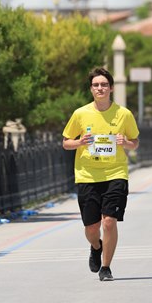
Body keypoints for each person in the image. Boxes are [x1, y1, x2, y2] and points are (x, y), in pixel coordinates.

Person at [62, 67, 139, 281]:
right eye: (96, 85)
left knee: (109, 222)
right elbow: (66, 143)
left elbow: (135, 142)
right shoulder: (80, 114)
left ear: (111, 88)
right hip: (87, 175)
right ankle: (96, 247)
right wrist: (80, 142)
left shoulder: (124, 114)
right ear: (91, 89)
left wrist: (126, 142)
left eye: (104, 84)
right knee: (92, 228)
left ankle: (106, 267)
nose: (100, 88)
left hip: (116, 173)